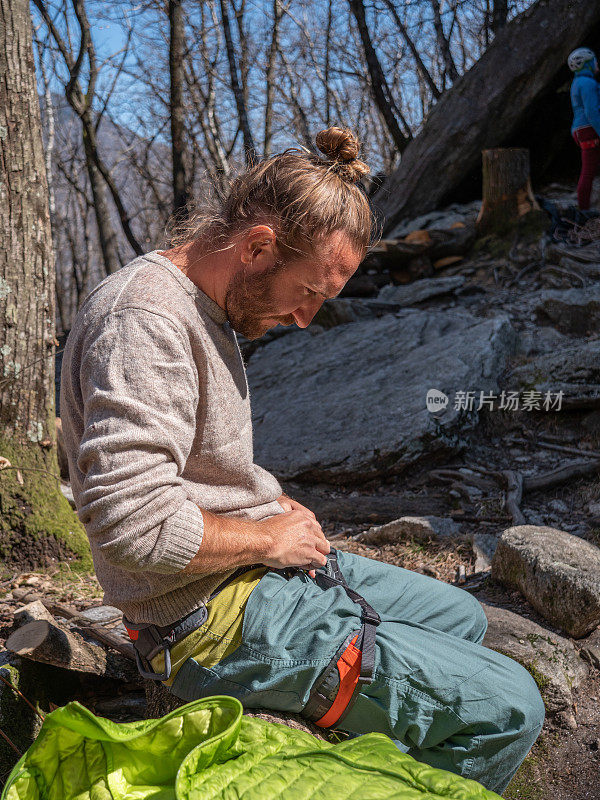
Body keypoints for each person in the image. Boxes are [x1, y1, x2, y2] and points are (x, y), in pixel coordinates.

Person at [60, 126, 544, 795]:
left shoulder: (203, 306)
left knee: (464, 619)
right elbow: (132, 524)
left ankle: (372, 748)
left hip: (253, 572)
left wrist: (264, 504)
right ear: (257, 246)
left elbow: (191, 470)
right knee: (513, 707)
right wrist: (263, 538)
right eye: (308, 291)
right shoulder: (145, 320)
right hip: (209, 620)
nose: (307, 319)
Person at [569, 46, 600, 210]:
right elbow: (592, 111)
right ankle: (584, 211)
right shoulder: (587, 83)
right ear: (587, 63)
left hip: (581, 130)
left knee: (589, 169)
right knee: (588, 171)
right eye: (595, 61)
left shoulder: (577, 82)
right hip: (590, 129)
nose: (597, 64)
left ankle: (584, 209)